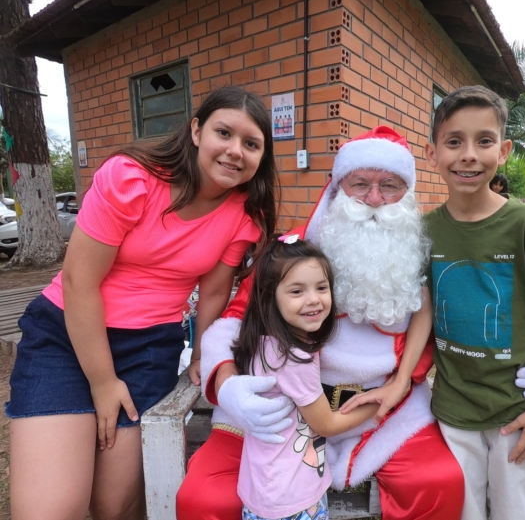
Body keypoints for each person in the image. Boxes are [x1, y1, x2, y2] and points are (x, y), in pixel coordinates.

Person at [6, 85, 278, 519]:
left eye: (251, 143)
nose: (234, 151)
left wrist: (202, 353)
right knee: (51, 510)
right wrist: (102, 382)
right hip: (66, 335)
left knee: (116, 506)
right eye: (224, 133)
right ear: (196, 131)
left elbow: (213, 291)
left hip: (148, 347)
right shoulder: (131, 177)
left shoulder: (245, 212)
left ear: (261, 156)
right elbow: (79, 281)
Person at [177, 126, 467, 520]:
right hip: (278, 407)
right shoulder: (292, 253)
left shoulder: (416, 255)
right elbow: (232, 323)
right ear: (336, 187)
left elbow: (429, 329)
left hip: (380, 409)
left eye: (390, 186)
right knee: (204, 499)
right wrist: (228, 386)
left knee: (439, 481)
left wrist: (400, 385)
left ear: (408, 192)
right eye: (360, 184)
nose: (375, 199)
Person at [421, 85, 525, 520]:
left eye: (484, 140)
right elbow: (422, 312)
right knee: (464, 512)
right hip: (453, 409)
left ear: (503, 151)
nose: (469, 155)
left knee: (513, 511)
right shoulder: (425, 230)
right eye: (454, 141)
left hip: (518, 410)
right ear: (432, 153)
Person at [232, 236, 381, 520]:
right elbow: (325, 424)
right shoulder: (292, 358)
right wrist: (377, 402)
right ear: (269, 296)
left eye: (321, 288)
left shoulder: (264, 343)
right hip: (291, 497)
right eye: (297, 291)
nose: (313, 299)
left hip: (265, 486)